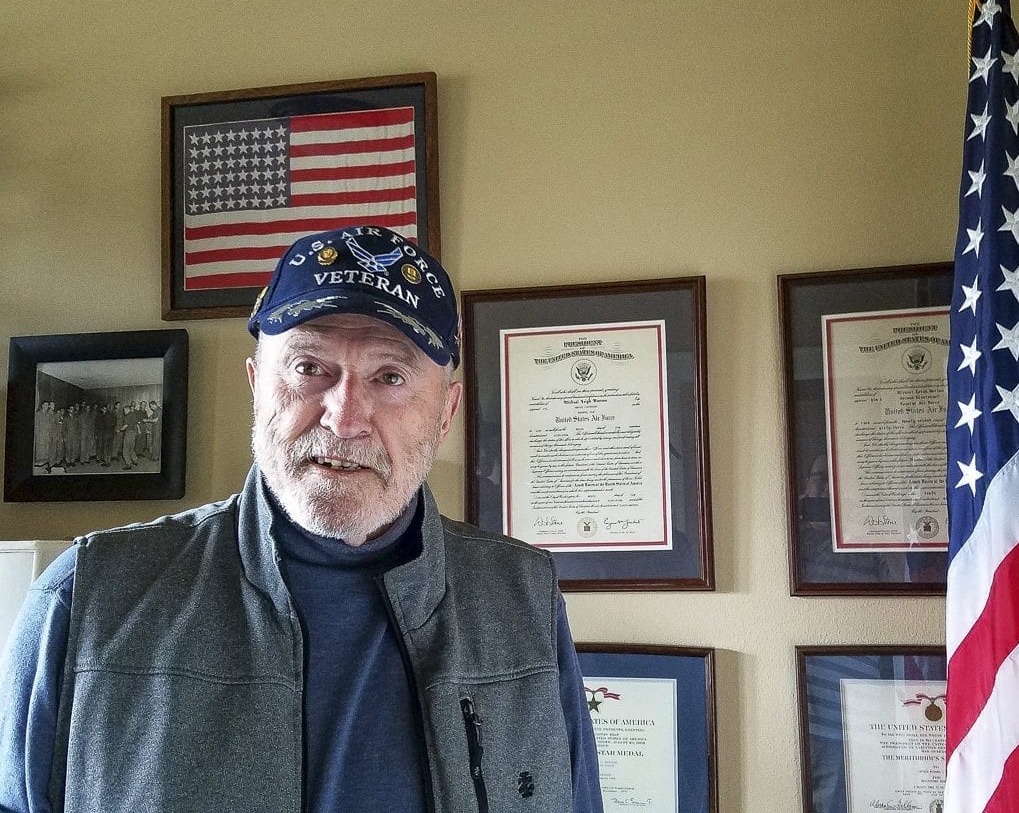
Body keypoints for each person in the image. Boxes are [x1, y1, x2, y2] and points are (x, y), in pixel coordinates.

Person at [0, 225, 604, 813]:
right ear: (257, 384)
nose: (344, 418)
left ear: (445, 413)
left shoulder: (522, 598)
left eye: (390, 377)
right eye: (309, 368)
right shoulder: (86, 597)